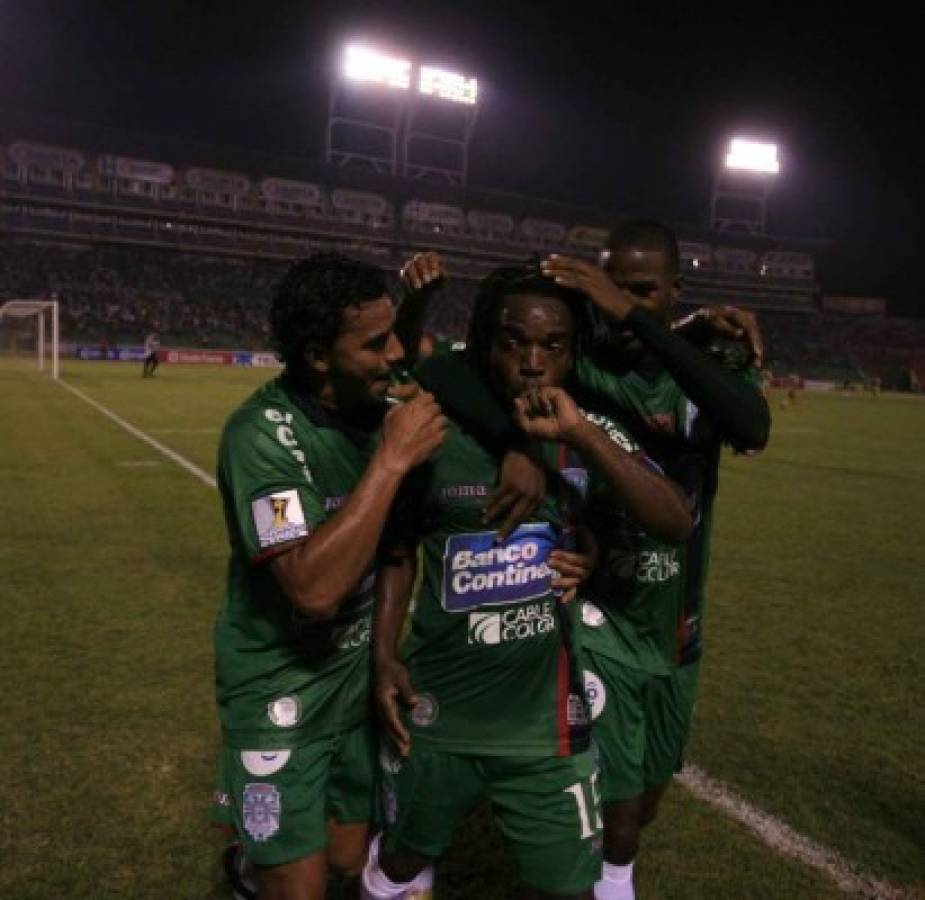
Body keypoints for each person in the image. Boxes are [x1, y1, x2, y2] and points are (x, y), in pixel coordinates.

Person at [407, 223, 769, 900]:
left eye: (637, 292)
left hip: (677, 618)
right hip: (598, 611)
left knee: (648, 795)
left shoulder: (697, 366)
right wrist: (516, 439)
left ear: (672, 293)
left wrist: (665, 326)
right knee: (620, 810)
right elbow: (450, 367)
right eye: (607, 290)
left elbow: (750, 426)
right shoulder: (583, 365)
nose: (614, 304)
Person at [361, 266, 692, 900]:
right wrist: (382, 656)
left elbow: (674, 520)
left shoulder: (581, 431)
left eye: (554, 346)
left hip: (548, 723)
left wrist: (580, 446)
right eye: (514, 342)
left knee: (569, 886)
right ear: (484, 342)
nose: (534, 362)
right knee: (402, 864)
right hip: (438, 710)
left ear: (574, 352)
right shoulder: (434, 432)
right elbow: (399, 550)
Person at [212, 253, 447, 900]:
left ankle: (259, 859)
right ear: (317, 356)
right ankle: (250, 866)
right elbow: (313, 592)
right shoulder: (262, 438)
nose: (397, 352)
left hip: (351, 677)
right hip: (278, 683)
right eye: (375, 343)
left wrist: (383, 656)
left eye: (394, 331)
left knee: (347, 862)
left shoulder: (380, 410)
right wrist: (390, 462)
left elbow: (399, 547)